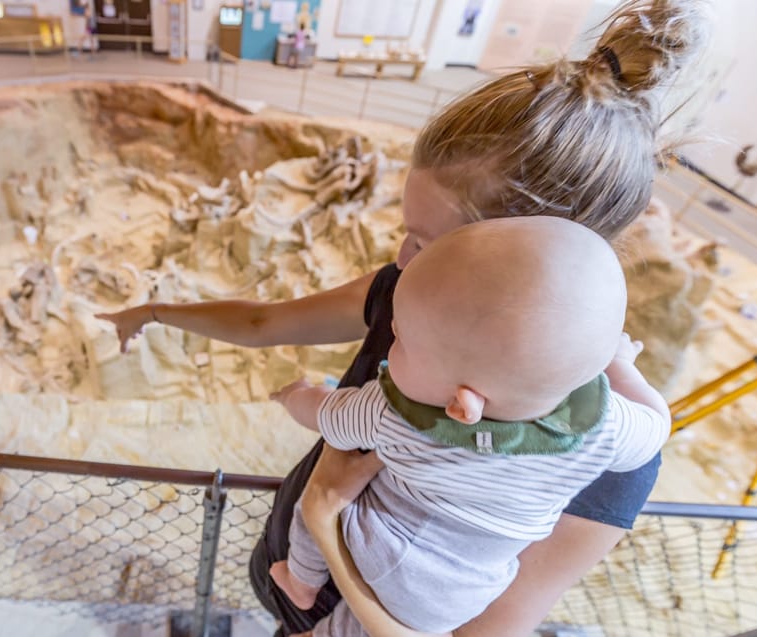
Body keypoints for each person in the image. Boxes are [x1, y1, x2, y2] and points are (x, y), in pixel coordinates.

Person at [96, 0, 707, 635]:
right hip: (296, 582)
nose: (400, 260)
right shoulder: (411, 291)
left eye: (426, 243)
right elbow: (264, 324)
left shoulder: (609, 455)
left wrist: (325, 522)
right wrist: (154, 310)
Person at [267, 217, 670, 635]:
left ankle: (301, 580)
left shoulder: (399, 416)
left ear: (463, 406)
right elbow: (658, 425)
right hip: (465, 597)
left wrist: (293, 395)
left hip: (381, 554)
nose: (392, 341)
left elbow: (327, 416)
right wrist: (622, 367)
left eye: (402, 340)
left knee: (314, 506)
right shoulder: (605, 430)